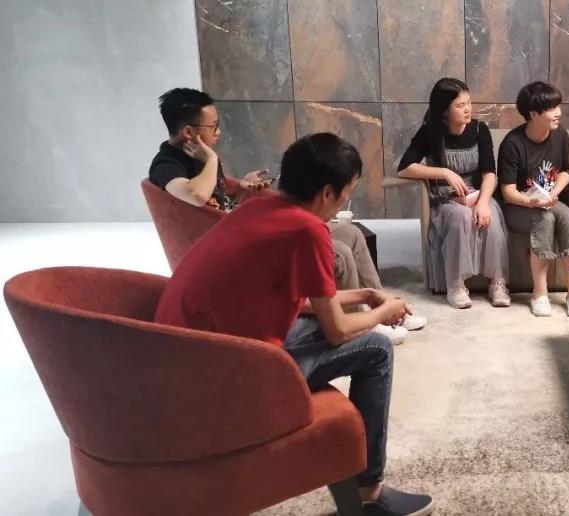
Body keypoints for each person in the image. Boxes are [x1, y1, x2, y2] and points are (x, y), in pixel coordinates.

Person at [154, 133, 434, 516]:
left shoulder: (256, 208)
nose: (344, 203)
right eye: (346, 194)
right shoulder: (308, 230)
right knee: (377, 348)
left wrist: (365, 296)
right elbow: (337, 329)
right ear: (327, 193)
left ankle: (361, 482)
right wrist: (384, 313)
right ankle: (369, 490)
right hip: (232, 375)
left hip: (188, 358)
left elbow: (290, 299)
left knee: (337, 329)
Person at [148, 88, 424, 341]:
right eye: (213, 126)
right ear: (188, 132)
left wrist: (241, 185)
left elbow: (217, 187)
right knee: (339, 254)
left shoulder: (208, 165)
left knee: (351, 233)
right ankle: (364, 324)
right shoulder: (167, 164)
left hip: (243, 225)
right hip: (230, 239)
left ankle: (385, 305)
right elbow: (196, 195)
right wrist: (211, 159)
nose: (219, 132)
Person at [398, 78, 510, 308]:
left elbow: (490, 172)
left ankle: (497, 283)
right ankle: (456, 285)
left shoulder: (479, 129)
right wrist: (444, 172)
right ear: (444, 110)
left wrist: (483, 203)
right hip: (446, 199)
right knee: (460, 217)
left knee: (492, 218)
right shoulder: (430, 132)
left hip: (479, 194)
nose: (468, 109)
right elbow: (404, 168)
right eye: (460, 105)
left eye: (469, 102)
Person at [497, 81, 569, 318]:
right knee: (544, 220)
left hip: (549, 201)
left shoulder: (561, 135)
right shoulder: (513, 143)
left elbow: (566, 170)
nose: (558, 113)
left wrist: (554, 192)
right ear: (533, 114)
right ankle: (540, 294)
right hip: (518, 206)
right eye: (551, 108)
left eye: (558, 106)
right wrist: (531, 202)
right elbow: (507, 191)